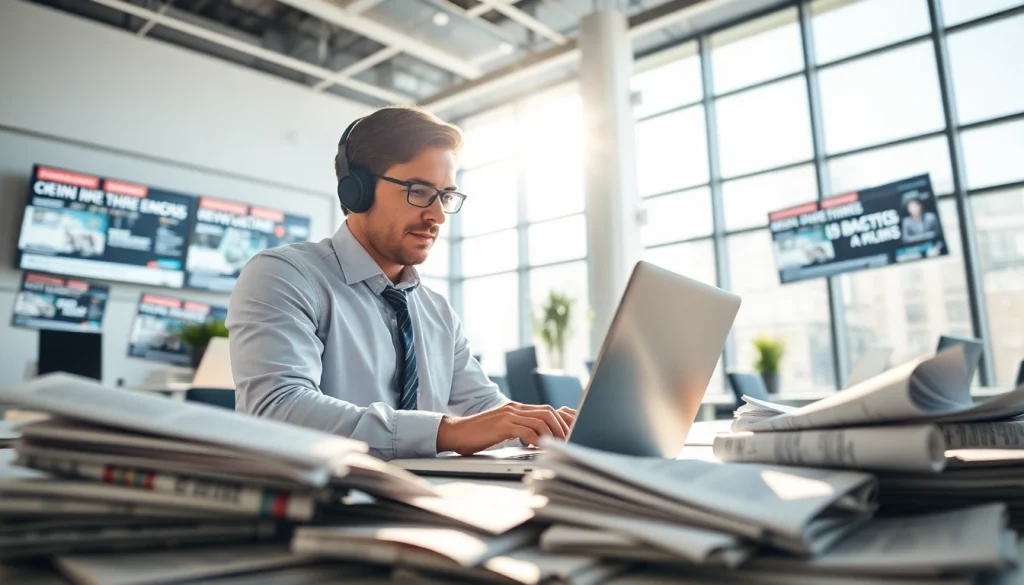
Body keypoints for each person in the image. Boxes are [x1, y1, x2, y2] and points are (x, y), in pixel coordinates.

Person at [227, 106, 576, 460]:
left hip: (431, 492)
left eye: (445, 196)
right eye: (419, 191)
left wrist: (541, 429)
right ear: (357, 191)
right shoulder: (284, 276)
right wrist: (447, 432)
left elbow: (483, 409)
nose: (437, 216)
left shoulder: (438, 312)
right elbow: (277, 408)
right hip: (325, 490)